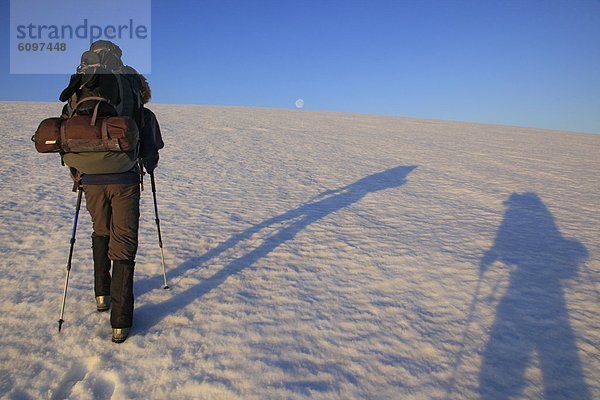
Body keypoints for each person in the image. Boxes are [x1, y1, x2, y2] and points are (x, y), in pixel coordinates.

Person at [59, 40, 162, 343]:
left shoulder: (82, 83)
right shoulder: (128, 83)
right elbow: (144, 130)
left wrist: (77, 172)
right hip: (124, 177)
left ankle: (102, 295)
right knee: (125, 240)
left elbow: (70, 132)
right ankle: (121, 321)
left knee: (100, 230)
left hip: (89, 177)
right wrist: (148, 164)